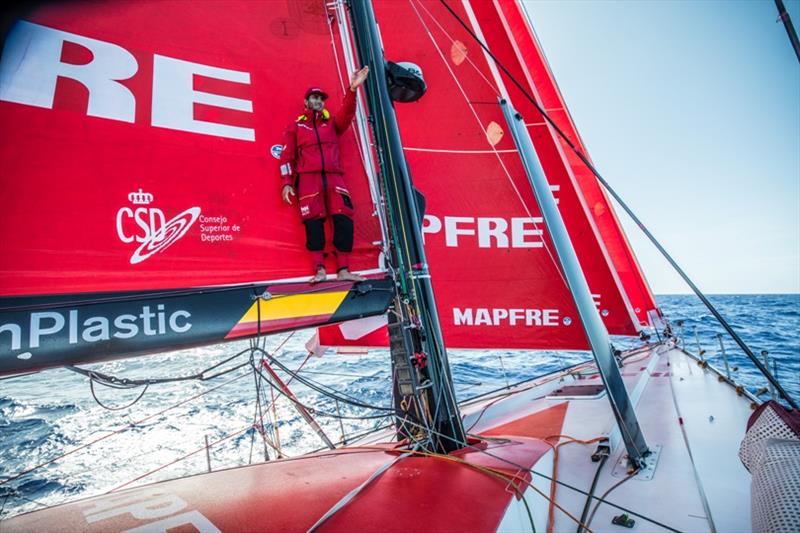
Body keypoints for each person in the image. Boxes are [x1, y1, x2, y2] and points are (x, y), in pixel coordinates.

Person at [280, 67, 370, 283]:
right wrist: (286, 182)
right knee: (313, 223)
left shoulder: (331, 124)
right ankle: (319, 269)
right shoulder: (296, 126)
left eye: (321, 98)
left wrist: (353, 89)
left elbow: (347, 113)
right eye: (314, 97)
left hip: (334, 177)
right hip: (308, 180)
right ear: (306, 101)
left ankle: (343, 270)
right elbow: (286, 156)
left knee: (344, 220)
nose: (318, 101)